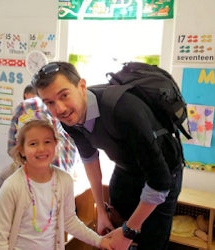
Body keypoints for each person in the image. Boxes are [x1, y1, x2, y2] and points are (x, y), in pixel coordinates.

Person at [31, 61, 184, 250]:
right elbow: (89, 159)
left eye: (64, 95)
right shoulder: (68, 119)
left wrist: (129, 232)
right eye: (49, 102)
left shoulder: (123, 110)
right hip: (126, 168)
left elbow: (159, 182)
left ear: (81, 86)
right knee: (113, 231)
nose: (60, 109)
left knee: (150, 241)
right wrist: (101, 212)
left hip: (164, 171)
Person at [0, 100, 112, 250]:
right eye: (33, 144)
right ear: (21, 149)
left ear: (55, 144)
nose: (41, 149)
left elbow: (69, 221)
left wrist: (99, 241)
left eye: (47, 141)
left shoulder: (64, 180)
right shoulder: (11, 187)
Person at [0, 86, 74, 214]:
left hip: (39, 170)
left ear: (27, 95)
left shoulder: (25, 106)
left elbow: (12, 149)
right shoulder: (67, 107)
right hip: (65, 171)